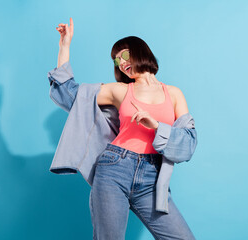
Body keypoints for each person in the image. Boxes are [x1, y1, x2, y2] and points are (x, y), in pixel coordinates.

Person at [53, 17, 197, 239]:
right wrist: (64, 46)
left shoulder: (174, 93)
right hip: (114, 168)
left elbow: (188, 143)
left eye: (125, 55)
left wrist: (157, 126)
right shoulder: (119, 90)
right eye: (116, 61)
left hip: (152, 178)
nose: (120, 63)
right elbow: (70, 94)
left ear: (141, 52)